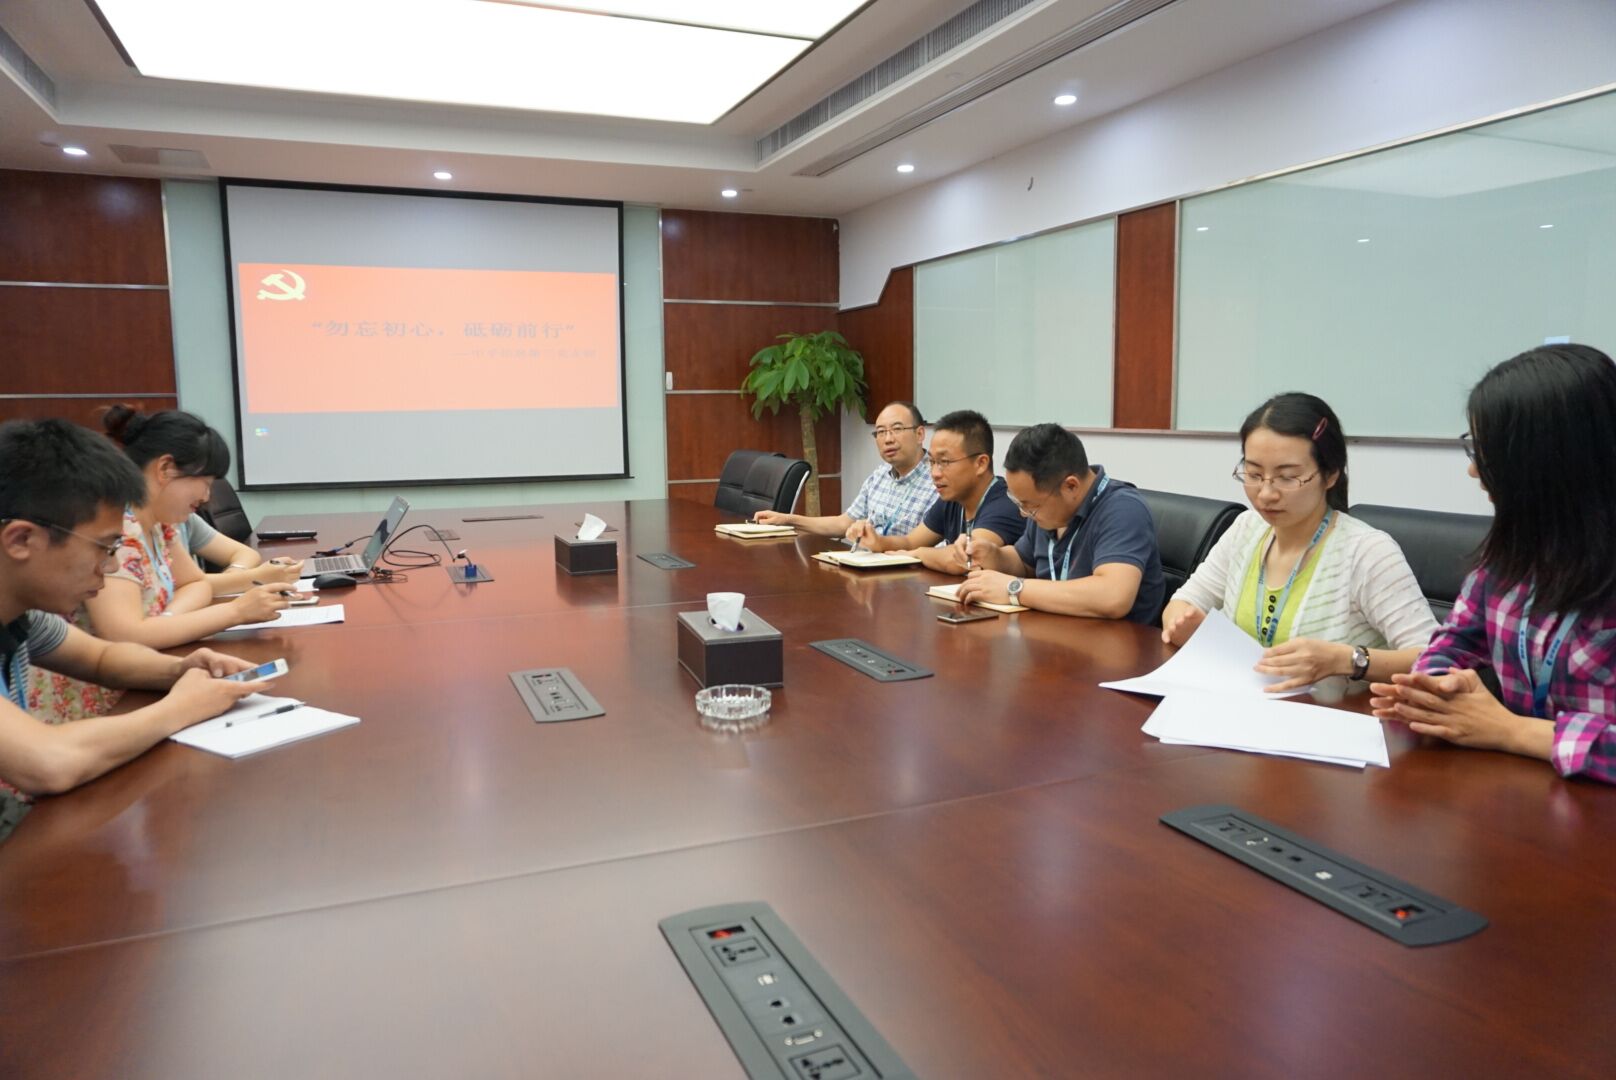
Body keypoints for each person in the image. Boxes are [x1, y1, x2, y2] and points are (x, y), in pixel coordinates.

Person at [0, 419, 265, 840]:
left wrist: (181, 670)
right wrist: (182, 707)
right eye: (104, 547)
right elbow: (48, 761)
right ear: (20, 541)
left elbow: (100, 658)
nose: (110, 567)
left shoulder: (22, 617)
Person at [1372, 344, 1616, 783]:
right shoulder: (1513, 551)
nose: (1474, 471)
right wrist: (1436, 688)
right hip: (1522, 790)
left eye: (1487, 452)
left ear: (1549, 460)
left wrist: (1512, 731)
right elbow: (1455, 640)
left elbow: (1506, 729)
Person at [27, 407, 294, 722]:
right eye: (205, 482)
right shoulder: (118, 530)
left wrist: (165, 621)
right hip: (98, 705)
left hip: (140, 680)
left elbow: (196, 584)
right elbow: (126, 634)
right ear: (165, 468)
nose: (207, 496)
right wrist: (235, 612)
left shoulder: (158, 524)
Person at [1161, 393, 1437, 695]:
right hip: (1244, 706)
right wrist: (1183, 624)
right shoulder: (1246, 529)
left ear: (1330, 475)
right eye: (1254, 474)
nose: (1266, 494)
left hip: (1334, 715)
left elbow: (1434, 660)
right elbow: (1184, 602)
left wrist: (1347, 660)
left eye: (1288, 477)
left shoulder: (1367, 553)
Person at [957, 423, 1165, 623]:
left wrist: (1014, 589)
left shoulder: (1123, 509)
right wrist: (992, 554)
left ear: (1071, 486)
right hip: (1054, 631)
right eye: (1019, 503)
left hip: (1115, 642)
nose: (1024, 513)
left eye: (1030, 505)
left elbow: (1113, 597)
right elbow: (1024, 563)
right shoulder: (1048, 507)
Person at [844, 410, 1022, 574]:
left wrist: (917, 554)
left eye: (945, 462)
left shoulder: (1005, 504)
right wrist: (877, 541)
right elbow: (910, 541)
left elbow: (964, 559)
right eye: (932, 462)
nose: (935, 473)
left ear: (981, 463)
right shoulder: (952, 498)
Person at [754, 401, 937, 538]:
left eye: (897, 429)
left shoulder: (938, 481)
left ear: (919, 434)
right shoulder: (880, 475)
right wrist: (788, 520)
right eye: (881, 432)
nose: (888, 439)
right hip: (868, 566)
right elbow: (844, 523)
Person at [179, 511, 304, 598]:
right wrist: (256, 577)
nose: (206, 496)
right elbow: (185, 585)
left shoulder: (186, 520)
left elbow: (247, 553)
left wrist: (234, 575)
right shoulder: (172, 524)